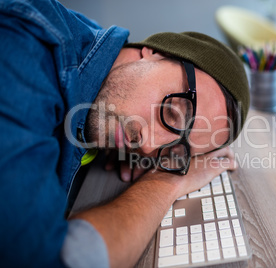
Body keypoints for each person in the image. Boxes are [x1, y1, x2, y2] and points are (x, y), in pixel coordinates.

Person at [0, 0, 249, 267]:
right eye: (173, 114)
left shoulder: (97, 62)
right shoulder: (24, 55)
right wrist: (164, 183)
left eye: (175, 149)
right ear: (155, 52)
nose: (147, 145)